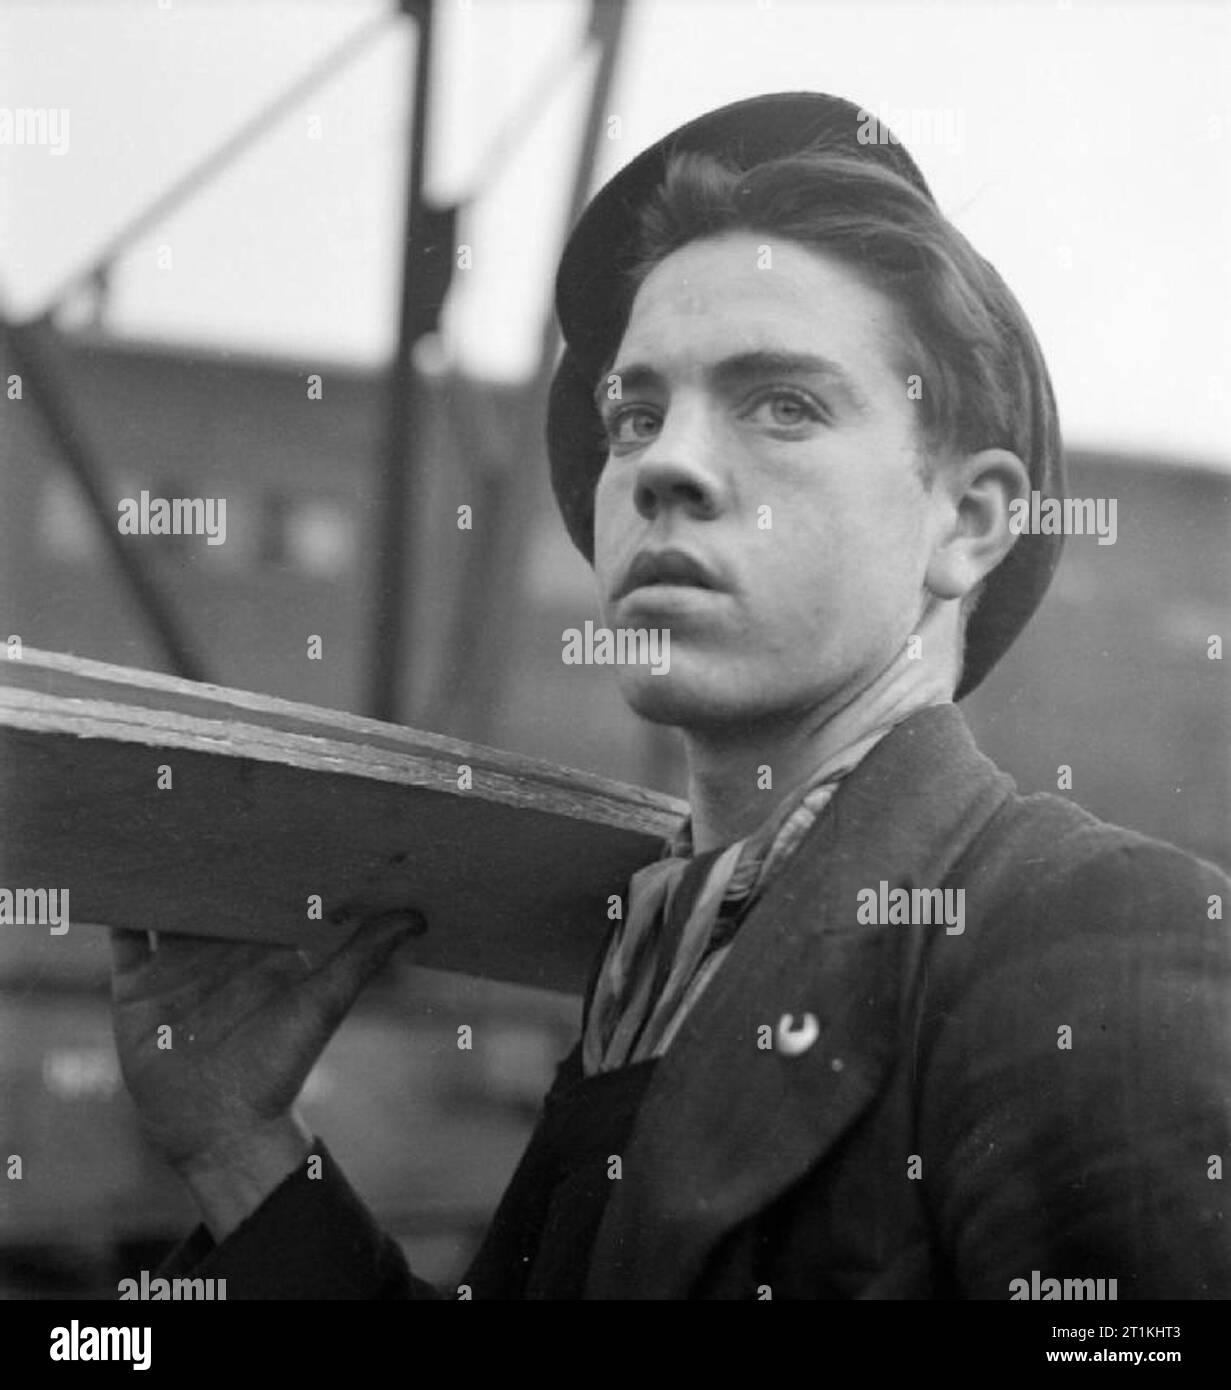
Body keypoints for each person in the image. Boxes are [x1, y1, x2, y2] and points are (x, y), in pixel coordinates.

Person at [110, 92, 1231, 1300]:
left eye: (784, 404)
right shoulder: (656, 955)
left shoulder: (1085, 935)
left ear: (964, 521)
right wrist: (239, 1144)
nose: (664, 467)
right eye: (634, 414)